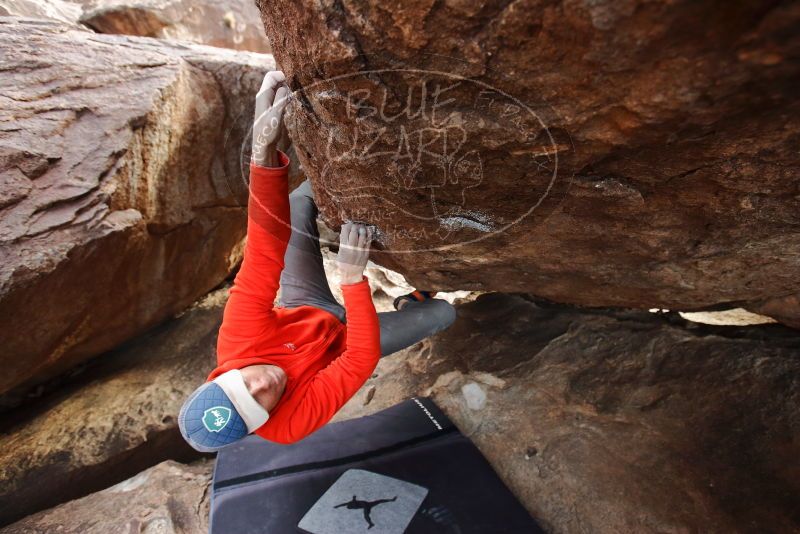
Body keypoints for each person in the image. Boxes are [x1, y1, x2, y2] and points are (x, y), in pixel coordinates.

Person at [178, 71, 456, 452]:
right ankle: (408, 305)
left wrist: (262, 153)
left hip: (302, 304)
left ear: (224, 375)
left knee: (296, 204)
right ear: (263, 424)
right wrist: (352, 280)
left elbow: (262, 254)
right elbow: (359, 359)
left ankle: (355, 159)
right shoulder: (289, 425)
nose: (261, 386)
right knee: (442, 315)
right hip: (345, 344)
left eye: (242, 385)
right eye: (256, 404)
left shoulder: (237, 343)